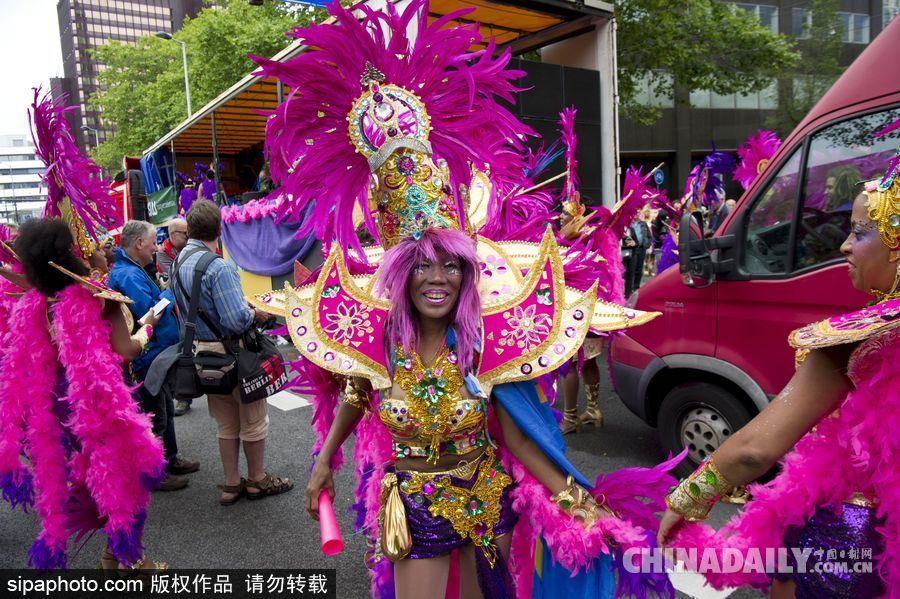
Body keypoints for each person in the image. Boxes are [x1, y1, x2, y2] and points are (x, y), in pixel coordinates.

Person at [256, 3, 680, 596]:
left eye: (451, 265)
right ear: (400, 276)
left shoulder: (482, 345)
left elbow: (522, 434)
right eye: (422, 265)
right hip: (414, 507)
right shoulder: (378, 338)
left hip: (486, 500)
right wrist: (324, 459)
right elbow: (356, 389)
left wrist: (578, 504)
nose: (438, 278)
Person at [657, 156, 900, 596]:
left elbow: (754, 450)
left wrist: (686, 499)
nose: (844, 246)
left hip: (855, 544)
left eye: (860, 232)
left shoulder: (859, 339)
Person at [170, 199, 290, 505]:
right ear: (219, 229)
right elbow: (236, 319)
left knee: (225, 422)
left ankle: (230, 483)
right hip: (234, 353)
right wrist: (258, 313)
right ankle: (257, 480)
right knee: (253, 419)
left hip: (203, 354)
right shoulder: (217, 265)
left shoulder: (178, 262)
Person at [109, 220, 199, 492]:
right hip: (148, 356)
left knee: (165, 408)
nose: (156, 247)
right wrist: (171, 291)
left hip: (158, 352)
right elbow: (151, 314)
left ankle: (170, 459)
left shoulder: (133, 269)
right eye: (152, 241)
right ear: (139, 244)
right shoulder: (128, 275)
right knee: (155, 414)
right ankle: (155, 471)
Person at [156, 218, 187, 286]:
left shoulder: (191, 244)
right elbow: (178, 276)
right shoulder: (163, 252)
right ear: (173, 235)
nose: (188, 236)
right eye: (185, 233)